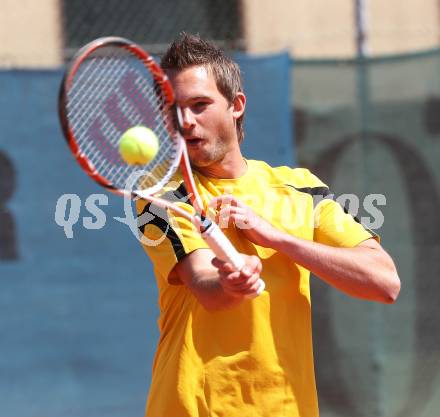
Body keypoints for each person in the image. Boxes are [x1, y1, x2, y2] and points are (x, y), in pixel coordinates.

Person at [136, 33, 400, 417]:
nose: (187, 121)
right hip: (194, 407)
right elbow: (208, 288)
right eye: (174, 108)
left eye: (200, 105)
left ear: (236, 105)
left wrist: (277, 238)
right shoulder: (158, 195)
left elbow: (384, 282)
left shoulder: (301, 188)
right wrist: (232, 282)